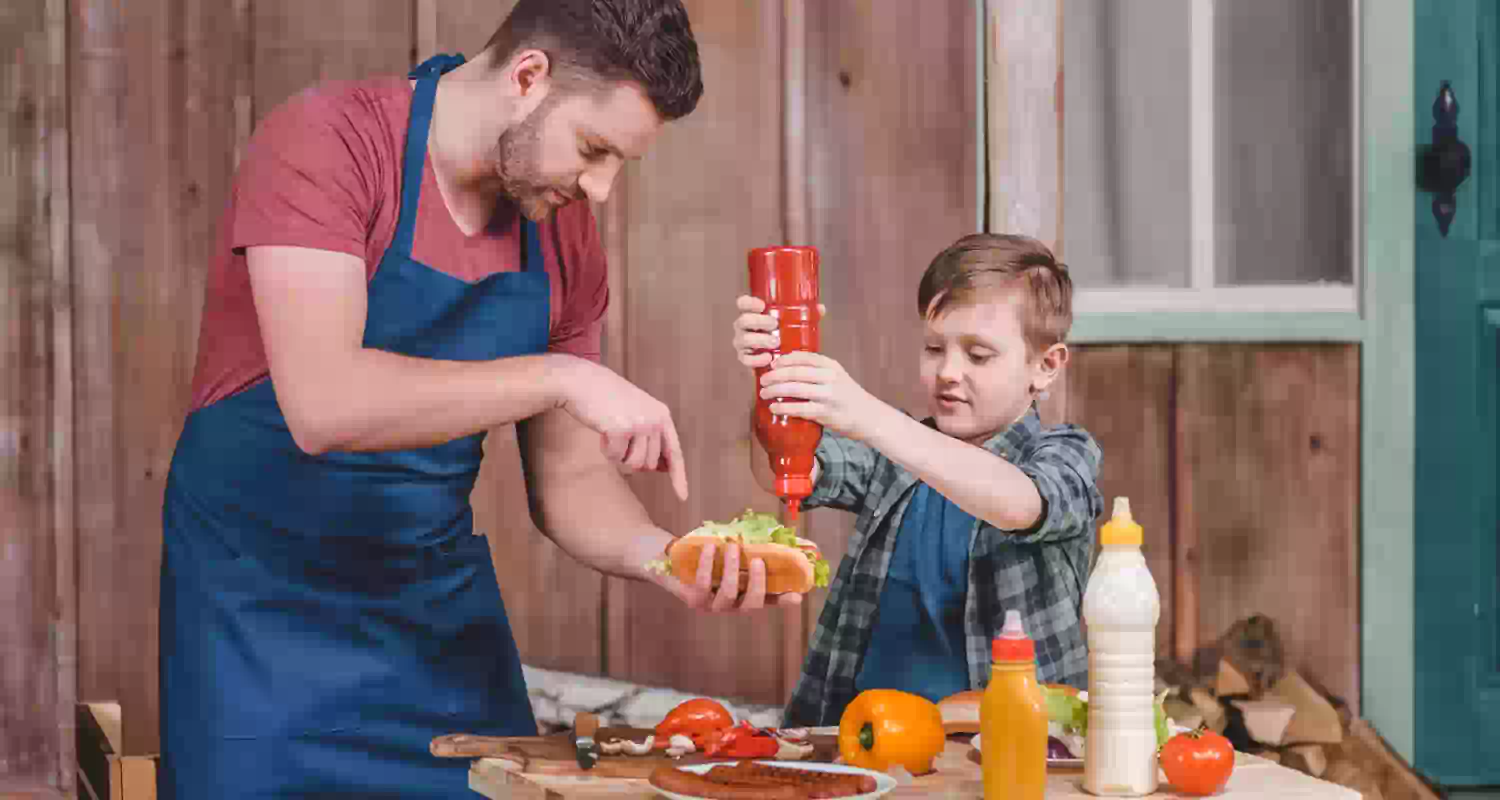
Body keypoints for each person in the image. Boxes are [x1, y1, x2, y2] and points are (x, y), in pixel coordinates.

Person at [159, 2, 793, 796]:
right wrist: (561, 375)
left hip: (432, 618)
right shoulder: (327, 144)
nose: (599, 189)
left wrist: (666, 560)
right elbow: (324, 403)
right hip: (258, 618)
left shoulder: (559, 232)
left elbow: (569, 480)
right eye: (593, 150)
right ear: (529, 76)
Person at [731, 233, 1105, 726]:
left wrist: (866, 414)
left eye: (978, 355)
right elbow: (784, 471)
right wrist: (770, 377)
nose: (948, 371)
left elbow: (1019, 503)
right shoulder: (895, 453)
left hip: (1003, 749)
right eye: (934, 348)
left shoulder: (1066, 453)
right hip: (865, 737)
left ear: (1046, 366)